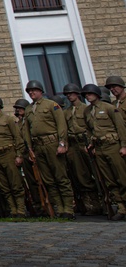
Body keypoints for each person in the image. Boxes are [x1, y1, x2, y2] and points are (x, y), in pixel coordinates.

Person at [23, 79, 75, 219]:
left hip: (52, 144)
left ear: (41, 91)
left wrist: (62, 144)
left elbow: (61, 125)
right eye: (29, 91)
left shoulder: (52, 105)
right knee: (48, 180)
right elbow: (27, 131)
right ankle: (59, 207)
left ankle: (68, 208)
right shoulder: (28, 109)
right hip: (38, 147)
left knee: (61, 177)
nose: (31, 93)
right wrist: (30, 149)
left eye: (34, 90)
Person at [82, 83, 126, 220]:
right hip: (99, 148)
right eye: (86, 95)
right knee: (109, 179)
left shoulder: (110, 108)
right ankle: (121, 207)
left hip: (113, 145)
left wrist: (123, 146)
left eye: (89, 94)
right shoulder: (87, 111)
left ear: (96, 94)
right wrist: (90, 144)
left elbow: (121, 128)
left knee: (122, 177)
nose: (87, 96)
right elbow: (89, 130)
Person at [0, 95, 27, 218]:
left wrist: (19, 155)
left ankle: (21, 210)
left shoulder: (8, 119)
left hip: (8, 153)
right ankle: (13, 209)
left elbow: (17, 138)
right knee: (4, 185)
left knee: (15, 183)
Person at [62, 83, 101, 214]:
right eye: (67, 94)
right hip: (73, 144)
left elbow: (92, 127)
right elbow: (64, 130)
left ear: (77, 94)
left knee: (94, 173)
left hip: (85, 142)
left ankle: (100, 202)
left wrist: (91, 143)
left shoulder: (86, 109)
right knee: (80, 175)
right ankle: (89, 205)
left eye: (71, 93)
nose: (69, 96)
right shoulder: (66, 112)